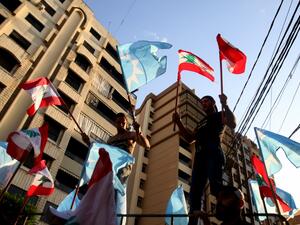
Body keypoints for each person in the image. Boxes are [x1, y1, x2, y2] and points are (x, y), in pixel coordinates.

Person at [173, 94, 236, 225]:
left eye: (206, 101)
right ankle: (193, 222)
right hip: (200, 157)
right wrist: (178, 122)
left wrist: (225, 104)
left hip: (213, 152)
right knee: (195, 192)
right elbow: (190, 138)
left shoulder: (220, 115)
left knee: (215, 187)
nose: (203, 103)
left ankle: (230, 215)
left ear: (213, 102)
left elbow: (232, 123)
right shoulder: (200, 122)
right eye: (202, 102)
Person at [107, 112, 150, 225]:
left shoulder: (131, 135)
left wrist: (139, 131)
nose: (121, 123)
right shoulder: (110, 140)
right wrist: (89, 143)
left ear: (126, 123)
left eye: (123, 122)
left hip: (123, 169)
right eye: (119, 121)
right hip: (109, 169)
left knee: (117, 194)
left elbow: (147, 145)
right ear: (115, 123)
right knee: (106, 196)